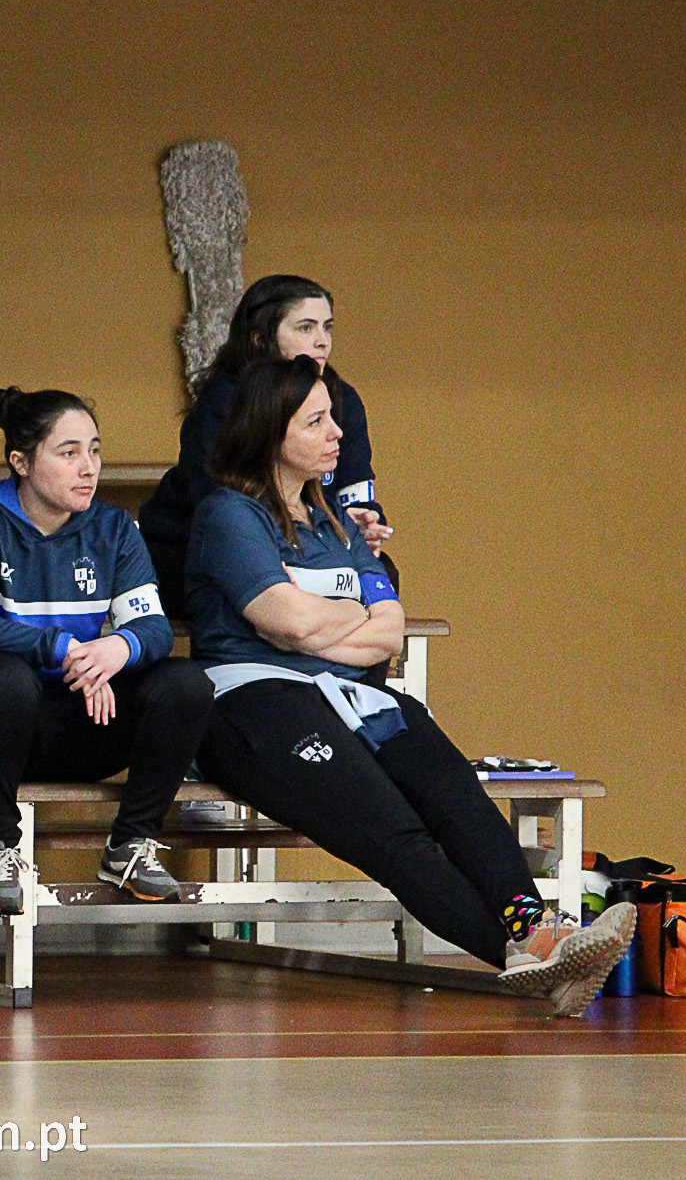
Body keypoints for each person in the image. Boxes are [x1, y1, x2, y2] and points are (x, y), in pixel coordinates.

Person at [185, 354, 634, 1017]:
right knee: (396, 833)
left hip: (356, 699)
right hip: (256, 705)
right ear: (269, 431)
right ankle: (531, 958)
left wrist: (323, 629)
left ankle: (535, 933)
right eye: (316, 420)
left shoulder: (335, 523)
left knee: (458, 798)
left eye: (333, 416)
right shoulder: (230, 515)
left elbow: (387, 630)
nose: (337, 432)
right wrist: (340, 624)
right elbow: (284, 622)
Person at [0, 388, 215, 915]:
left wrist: (117, 646)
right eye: (68, 453)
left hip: (85, 716)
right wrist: (62, 647)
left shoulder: (114, 529)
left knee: (186, 683)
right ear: (20, 462)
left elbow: (152, 627)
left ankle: (131, 844)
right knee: (3, 678)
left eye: (95, 450)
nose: (88, 468)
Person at [140, 274, 390, 607]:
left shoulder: (342, 399)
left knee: (381, 575)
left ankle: (351, 656)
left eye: (327, 327)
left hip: (310, 541)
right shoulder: (223, 404)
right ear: (260, 338)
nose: (322, 341)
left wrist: (363, 525)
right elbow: (224, 518)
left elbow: (357, 491)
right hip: (209, 547)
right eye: (305, 328)